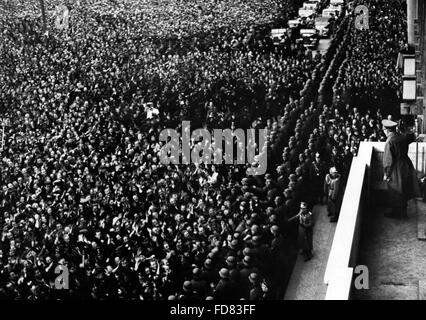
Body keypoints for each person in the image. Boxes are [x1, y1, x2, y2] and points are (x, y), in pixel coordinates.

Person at [382, 119, 421, 219]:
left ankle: (397, 214)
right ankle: (404, 212)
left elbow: (388, 161)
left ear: (387, 130)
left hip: (396, 168)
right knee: (405, 189)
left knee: (396, 191)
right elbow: (411, 136)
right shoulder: (401, 137)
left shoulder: (389, 141)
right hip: (406, 165)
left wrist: (387, 174)